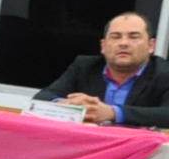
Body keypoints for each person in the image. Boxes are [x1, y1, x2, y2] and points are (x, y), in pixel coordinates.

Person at [34, 12, 169, 127]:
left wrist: (113, 113)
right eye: (115, 37)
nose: (123, 43)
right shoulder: (85, 66)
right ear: (103, 46)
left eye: (134, 37)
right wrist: (66, 105)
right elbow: (42, 97)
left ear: (151, 46)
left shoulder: (164, 73)